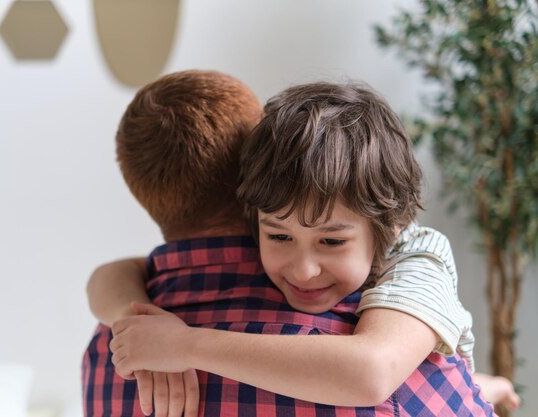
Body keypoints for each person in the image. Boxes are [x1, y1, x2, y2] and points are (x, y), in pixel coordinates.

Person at [83, 73, 513, 417]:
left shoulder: (416, 254)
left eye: (332, 240)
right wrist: (131, 315)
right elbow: (118, 271)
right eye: (279, 236)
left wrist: (185, 345)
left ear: (392, 226)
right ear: (248, 202)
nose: (303, 269)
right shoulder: (265, 240)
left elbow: (373, 369)